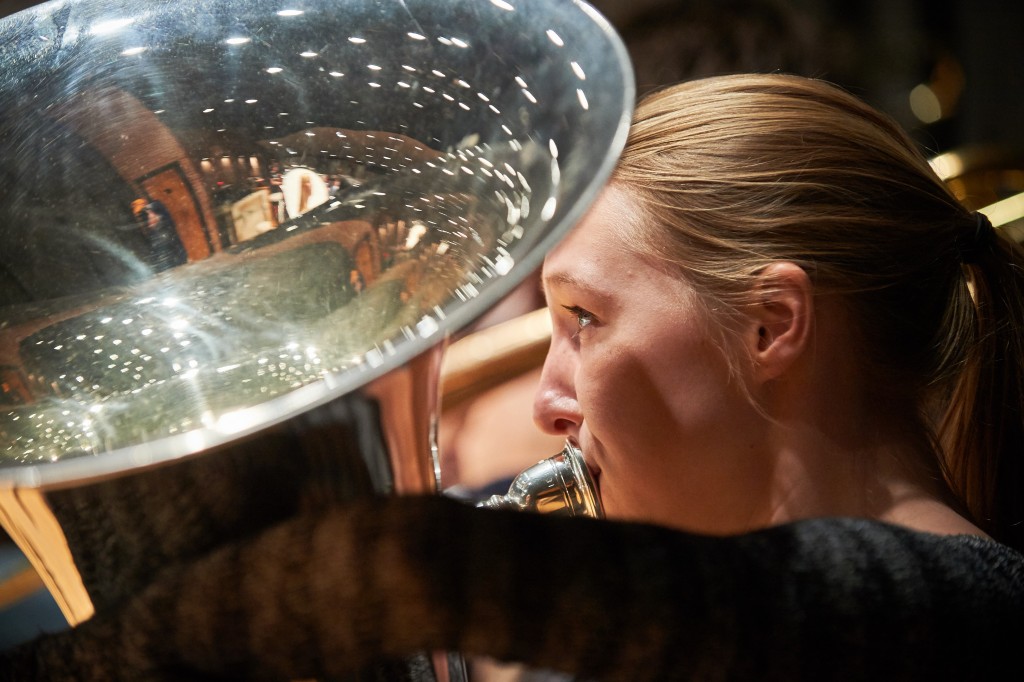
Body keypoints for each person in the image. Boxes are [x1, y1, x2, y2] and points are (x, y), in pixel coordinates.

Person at [4, 73, 1023, 681]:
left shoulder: (965, 606)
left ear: (771, 324)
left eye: (582, 319)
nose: (546, 399)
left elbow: (414, 569)